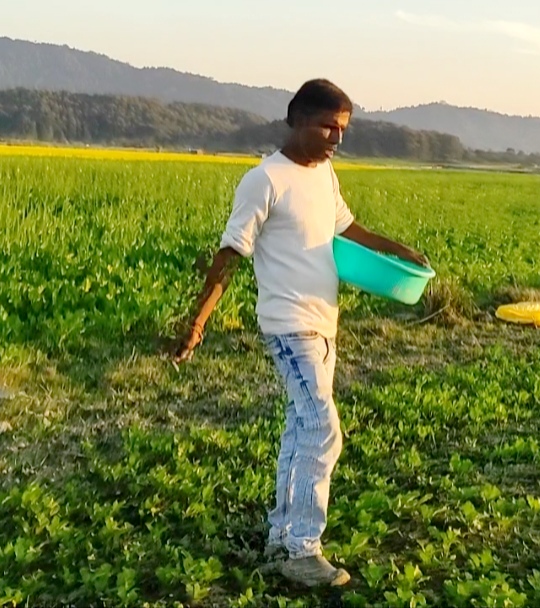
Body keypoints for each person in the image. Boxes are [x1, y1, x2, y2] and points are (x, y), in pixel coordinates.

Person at [171, 78, 429, 587]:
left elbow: (345, 227)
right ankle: (301, 551)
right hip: (289, 325)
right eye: (327, 127)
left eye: (342, 130)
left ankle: (283, 536)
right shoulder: (264, 180)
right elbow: (229, 255)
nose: (336, 139)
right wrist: (197, 322)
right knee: (322, 429)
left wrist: (397, 249)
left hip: (322, 321)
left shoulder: (325, 174)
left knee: (300, 429)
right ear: (296, 120)